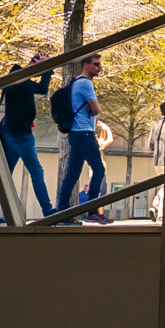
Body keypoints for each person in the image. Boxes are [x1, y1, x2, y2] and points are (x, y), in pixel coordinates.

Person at [0, 53, 55, 224]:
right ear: (34, 63)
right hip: (21, 134)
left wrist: (45, 70)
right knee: (36, 171)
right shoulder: (19, 78)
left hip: (8, 131)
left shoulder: (17, 79)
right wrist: (46, 70)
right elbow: (41, 89)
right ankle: (47, 209)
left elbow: (39, 89)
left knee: (5, 173)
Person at [59, 53, 109, 222]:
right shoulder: (85, 83)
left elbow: (92, 108)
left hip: (76, 133)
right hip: (84, 132)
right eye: (95, 64)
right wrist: (91, 106)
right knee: (99, 169)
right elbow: (96, 110)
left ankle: (63, 211)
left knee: (72, 174)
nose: (99, 67)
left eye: (99, 64)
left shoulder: (75, 83)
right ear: (85, 65)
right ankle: (92, 211)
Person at [148, 100, 165, 223]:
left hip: (157, 160)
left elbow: (151, 145)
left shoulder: (156, 125)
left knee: (164, 185)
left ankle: (155, 206)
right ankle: (159, 212)